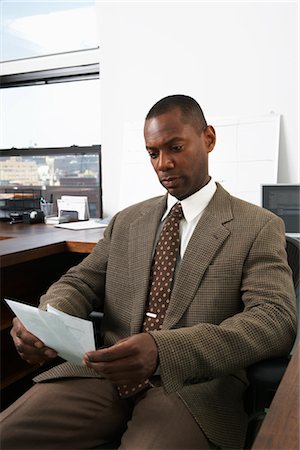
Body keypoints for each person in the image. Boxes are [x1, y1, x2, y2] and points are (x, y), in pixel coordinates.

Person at [1, 95, 296, 450]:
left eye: (175, 147)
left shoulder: (258, 225)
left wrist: (163, 350)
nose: (164, 164)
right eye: (153, 153)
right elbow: (81, 281)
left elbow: (274, 319)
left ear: (209, 139)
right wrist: (47, 322)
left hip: (194, 386)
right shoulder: (128, 220)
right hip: (103, 372)